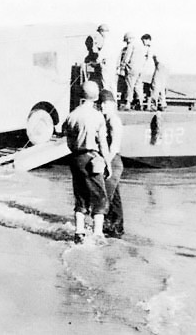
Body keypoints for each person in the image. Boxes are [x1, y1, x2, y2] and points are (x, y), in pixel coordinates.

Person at [63, 81, 111, 244]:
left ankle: (79, 232)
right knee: (100, 197)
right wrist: (108, 163)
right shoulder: (98, 116)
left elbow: (69, 141)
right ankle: (97, 234)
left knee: (80, 196)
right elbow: (103, 143)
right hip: (92, 158)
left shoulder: (72, 115)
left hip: (75, 158)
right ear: (96, 96)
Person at [99, 90, 124, 238]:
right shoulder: (105, 120)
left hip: (113, 161)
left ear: (113, 105)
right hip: (112, 161)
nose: (102, 106)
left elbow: (114, 147)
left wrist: (106, 163)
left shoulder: (114, 120)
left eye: (106, 103)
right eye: (100, 103)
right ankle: (116, 230)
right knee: (114, 199)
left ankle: (107, 229)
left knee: (105, 197)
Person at [138, 34, 167, 111]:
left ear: (148, 40)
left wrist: (142, 70)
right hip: (164, 66)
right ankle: (163, 104)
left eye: (143, 41)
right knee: (161, 86)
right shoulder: (156, 46)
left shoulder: (150, 48)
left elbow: (148, 60)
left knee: (155, 85)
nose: (143, 43)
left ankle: (153, 105)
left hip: (159, 66)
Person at [117, 32, 142, 110]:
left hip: (131, 69)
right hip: (139, 69)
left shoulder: (130, 46)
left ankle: (128, 103)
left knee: (129, 86)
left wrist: (121, 66)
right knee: (138, 86)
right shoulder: (139, 47)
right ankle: (140, 102)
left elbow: (126, 58)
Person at [84, 24, 110, 90]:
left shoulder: (102, 40)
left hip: (98, 62)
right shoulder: (99, 38)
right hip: (96, 62)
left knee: (100, 80)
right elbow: (94, 50)